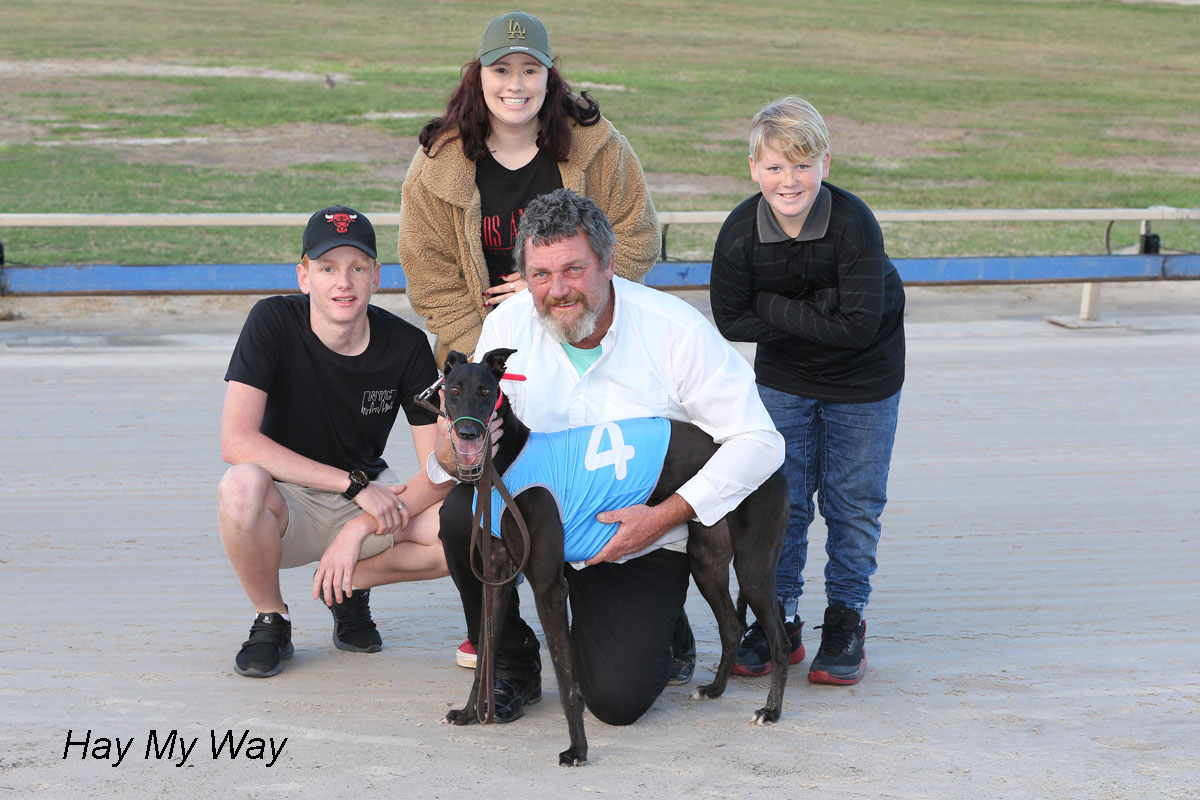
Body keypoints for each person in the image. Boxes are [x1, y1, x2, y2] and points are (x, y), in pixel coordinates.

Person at [431, 188, 784, 725]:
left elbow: (760, 442)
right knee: (461, 513)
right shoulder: (507, 325)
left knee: (617, 702)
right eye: (540, 274)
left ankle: (663, 622)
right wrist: (451, 452)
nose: (557, 290)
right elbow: (476, 434)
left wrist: (665, 517)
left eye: (573, 269)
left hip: (636, 537)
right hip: (542, 522)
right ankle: (509, 661)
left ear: (609, 262)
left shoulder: (676, 330)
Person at [709, 96, 905, 686]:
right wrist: (818, 312)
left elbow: (859, 328)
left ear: (825, 163)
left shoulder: (853, 223)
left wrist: (771, 305)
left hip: (865, 378)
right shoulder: (741, 230)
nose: (788, 180)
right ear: (754, 168)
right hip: (786, 377)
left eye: (802, 164)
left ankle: (846, 618)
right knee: (782, 500)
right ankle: (780, 618)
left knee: (853, 504)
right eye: (774, 166)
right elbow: (730, 319)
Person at [217, 205, 452, 678]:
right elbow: (236, 441)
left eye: (357, 268)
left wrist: (359, 525)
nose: (343, 283)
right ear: (304, 277)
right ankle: (271, 618)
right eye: (327, 269)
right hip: (290, 500)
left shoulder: (406, 344)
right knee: (239, 486)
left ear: (376, 277)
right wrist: (352, 484)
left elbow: (441, 468)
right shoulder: (272, 321)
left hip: (368, 500)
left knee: (467, 528)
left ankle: (347, 586)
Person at [398, 9, 660, 366]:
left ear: (549, 78)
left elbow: (638, 239)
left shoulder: (599, 147)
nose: (516, 85)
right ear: (479, 77)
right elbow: (430, 277)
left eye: (530, 70)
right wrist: (485, 359)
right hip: (481, 352)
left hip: (591, 344)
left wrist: (550, 285)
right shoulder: (439, 163)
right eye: (501, 70)